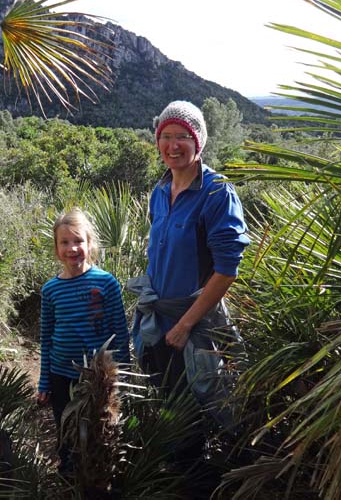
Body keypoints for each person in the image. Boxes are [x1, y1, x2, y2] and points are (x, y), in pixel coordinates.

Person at [128, 100, 249, 482]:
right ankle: (178, 474)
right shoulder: (160, 191)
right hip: (159, 319)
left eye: (183, 136)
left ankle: (208, 481)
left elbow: (227, 270)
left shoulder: (217, 193)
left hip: (194, 325)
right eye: (166, 136)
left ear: (199, 141)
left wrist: (185, 324)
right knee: (170, 403)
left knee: (205, 403)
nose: (173, 144)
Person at [36, 207, 130, 474]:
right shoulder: (51, 289)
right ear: (56, 248)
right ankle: (69, 480)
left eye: (78, 241)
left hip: (97, 377)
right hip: (61, 375)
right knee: (66, 434)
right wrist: (44, 381)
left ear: (90, 244)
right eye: (64, 242)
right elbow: (46, 339)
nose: (72, 248)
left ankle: (101, 480)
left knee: (101, 433)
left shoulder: (106, 283)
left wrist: (124, 374)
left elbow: (119, 331)